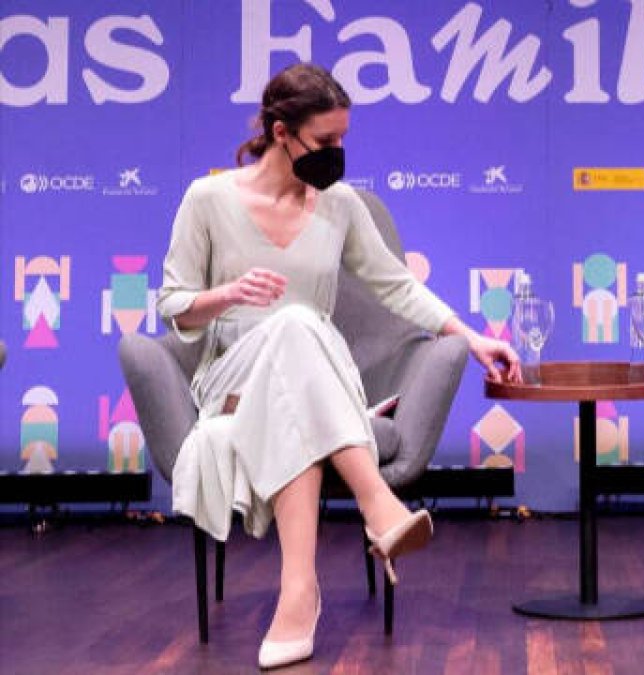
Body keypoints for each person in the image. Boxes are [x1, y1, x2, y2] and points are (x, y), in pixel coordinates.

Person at [157, 63, 520, 670]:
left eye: (343, 140)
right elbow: (173, 308)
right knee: (296, 323)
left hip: (314, 377)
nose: (338, 153)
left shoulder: (340, 205)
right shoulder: (209, 199)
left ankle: (299, 593)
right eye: (326, 142)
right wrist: (229, 294)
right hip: (231, 378)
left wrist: (471, 337)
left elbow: (398, 287)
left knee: (301, 338)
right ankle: (379, 506)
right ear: (281, 132)